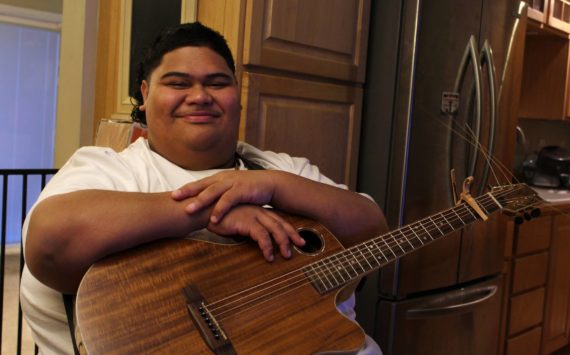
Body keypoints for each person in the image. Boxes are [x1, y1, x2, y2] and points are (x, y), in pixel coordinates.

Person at [20, 22, 386, 354]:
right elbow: (51, 241)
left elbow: (371, 229)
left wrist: (270, 185)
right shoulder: (110, 169)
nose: (199, 96)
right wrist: (208, 210)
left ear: (237, 94)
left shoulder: (281, 168)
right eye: (178, 83)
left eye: (217, 83)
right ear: (145, 95)